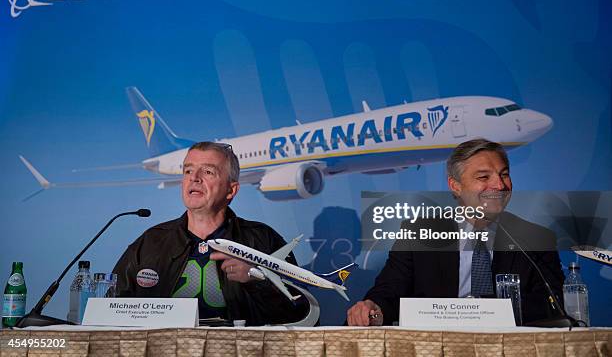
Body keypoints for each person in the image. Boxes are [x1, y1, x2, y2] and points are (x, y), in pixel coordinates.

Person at [347, 138, 564, 326]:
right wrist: (374, 309)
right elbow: (388, 293)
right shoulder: (418, 233)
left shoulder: (535, 238)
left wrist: (482, 313)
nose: (499, 185)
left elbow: (553, 303)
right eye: (483, 177)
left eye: (504, 174)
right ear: (456, 186)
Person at [113, 141, 306, 325]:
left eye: (208, 171)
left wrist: (256, 279)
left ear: (231, 190)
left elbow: (303, 313)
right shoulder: (151, 242)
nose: (194, 177)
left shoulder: (263, 240)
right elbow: (112, 307)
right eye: (188, 170)